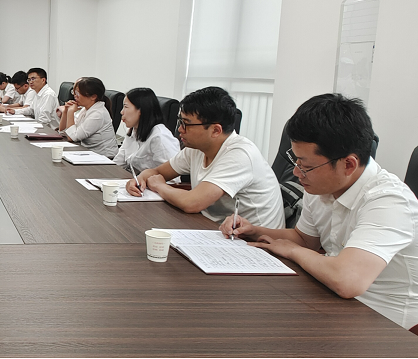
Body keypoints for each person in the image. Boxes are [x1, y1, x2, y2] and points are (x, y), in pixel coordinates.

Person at [219, 94, 418, 332]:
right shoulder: (321, 185)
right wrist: (252, 231)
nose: (296, 172)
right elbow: (306, 240)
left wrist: (293, 251)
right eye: (296, 161)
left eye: (306, 166)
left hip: (387, 326)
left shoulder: (389, 201)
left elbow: (347, 280)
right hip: (332, 302)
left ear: (348, 164)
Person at [127, 86, 284, 228]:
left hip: (254, 242)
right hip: (214, 229)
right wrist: (139, 179)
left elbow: (192, 203)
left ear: (215, 130)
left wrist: (159, 186)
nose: (180, 129)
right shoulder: (196, 148)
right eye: (180, 121)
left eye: (186, 124)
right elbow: (156, 172)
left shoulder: (240, 154)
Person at [113, 87, 180, 174]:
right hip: (131, 179)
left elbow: (173, 178)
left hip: (148, 182)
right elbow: (118, 162)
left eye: (126, 107)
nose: (122, 112)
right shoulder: (133, 130)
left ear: (141, 110)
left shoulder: (160, 137)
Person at [58, 77, 120, 158]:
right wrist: (65, 111)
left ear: (93, 97)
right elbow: (63, 132)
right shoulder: (85, 109)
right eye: (74, 92)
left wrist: (70, 112)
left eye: (78, 93)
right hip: (88, 153)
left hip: (104, 158)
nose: (75, 96)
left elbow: (72, 137)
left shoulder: (98, 114)